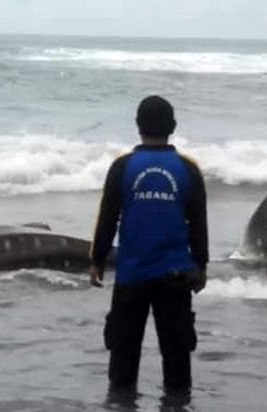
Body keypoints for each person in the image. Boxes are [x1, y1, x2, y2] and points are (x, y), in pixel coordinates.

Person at [89, 95, 208, 395]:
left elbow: (107, 218)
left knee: (123, 360)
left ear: (138, 126)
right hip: (176, 276)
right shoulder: (188, 169)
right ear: (173, 126)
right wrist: (201, 265)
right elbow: (199, 223)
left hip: (132, 274)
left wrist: (97, 260)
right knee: (177, 363)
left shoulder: (123, 167)